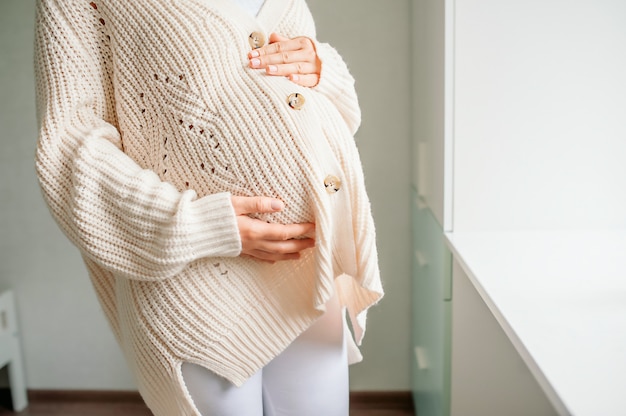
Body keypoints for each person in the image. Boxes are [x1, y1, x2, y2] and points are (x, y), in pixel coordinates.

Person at [34, 0, 383, 415]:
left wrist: (323, 68)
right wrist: (200, 225)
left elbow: (311, 97)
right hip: (199, 282)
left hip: (308, 268)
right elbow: (71, 147)